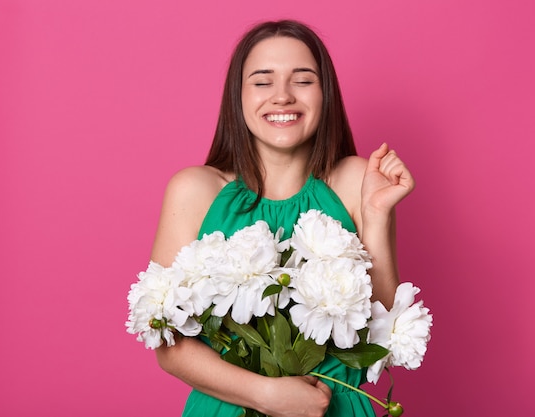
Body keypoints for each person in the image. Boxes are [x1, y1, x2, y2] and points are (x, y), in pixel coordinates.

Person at [150, 20, 415, 417]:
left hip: (334, 408)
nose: (282, 96)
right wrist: (265, 395)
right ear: (237, 97)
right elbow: (167, 341)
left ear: (325, 94)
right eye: (262, 81)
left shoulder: (357, 181)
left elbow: (385, 334)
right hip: (228, 408)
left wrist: (376, 215)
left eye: (303, 81)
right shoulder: (194, 190)